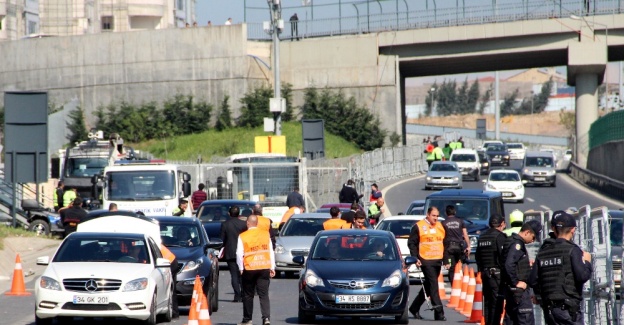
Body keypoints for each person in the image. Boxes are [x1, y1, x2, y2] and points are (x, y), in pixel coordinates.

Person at [529, 210, 592, 325]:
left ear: (555, 229)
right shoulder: (572, 250)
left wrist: (540, 295)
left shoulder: (543, 252)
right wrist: (587, 262)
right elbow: (582, 276)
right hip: (568, 310)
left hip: (549, 310)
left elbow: (533, 280)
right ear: (573, 229)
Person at [408, 206, 448, 321]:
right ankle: (439, 312)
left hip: (437, 260)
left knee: (429, 285)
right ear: (428, 215)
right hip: (425, 260)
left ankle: (414, 308)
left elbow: (445, 244)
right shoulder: (419, 226)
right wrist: (415, 258)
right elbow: (412, 243)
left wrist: (446, 260)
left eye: (437, 216)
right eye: (433, 216)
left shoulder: (441, 226)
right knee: (434, 285)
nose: (435, 218)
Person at [500, 219, 542, 325]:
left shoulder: (511, 241)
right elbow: (509, 264)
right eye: (533, 237)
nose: (533, 241)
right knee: (525, 320)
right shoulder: (517, 244)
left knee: (511, 320)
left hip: (510, 290)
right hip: (519, 292)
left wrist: (526, 264)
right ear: (527, 232)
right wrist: (516, 282)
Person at [236, 215, 276, 325]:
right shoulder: (265, 234)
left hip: (249, 268)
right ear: (257, 223)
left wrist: (240, 267)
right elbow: (271, 251)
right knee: (264, 294)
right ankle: (266, 318)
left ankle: (247, 319)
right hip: (264, 267)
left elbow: (239, 253)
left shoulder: (243, 236)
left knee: (248, 295)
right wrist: (272, 267)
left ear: (248, 223)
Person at [475, 214, 507, 325]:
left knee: (487, 302)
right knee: (496, 303)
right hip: (496, 274)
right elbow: (504, 257)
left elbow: (478, 257)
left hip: (485, 273)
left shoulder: (482, 237)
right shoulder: (500, 237)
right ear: (502, 224)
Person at [221, 206, 248, 303]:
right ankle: (244, 294)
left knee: (234, 275)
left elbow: (222, 240)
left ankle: (237, 295)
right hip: (243, 252)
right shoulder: (244, 224)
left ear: (229, 213)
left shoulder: (225, 224)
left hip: (230, 253)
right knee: (243, 274)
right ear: (239, 213)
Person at [441, 205, 470, 284]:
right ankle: (460, 282)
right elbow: (465, 234)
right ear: (455, 212)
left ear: (446, 213)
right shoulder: (460, 221)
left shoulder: (443, 223)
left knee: (451, 267)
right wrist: (468, 246)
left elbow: (441, 236)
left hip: (449, 248)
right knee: (459, 265)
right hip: (459, 247)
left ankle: (453, 284)